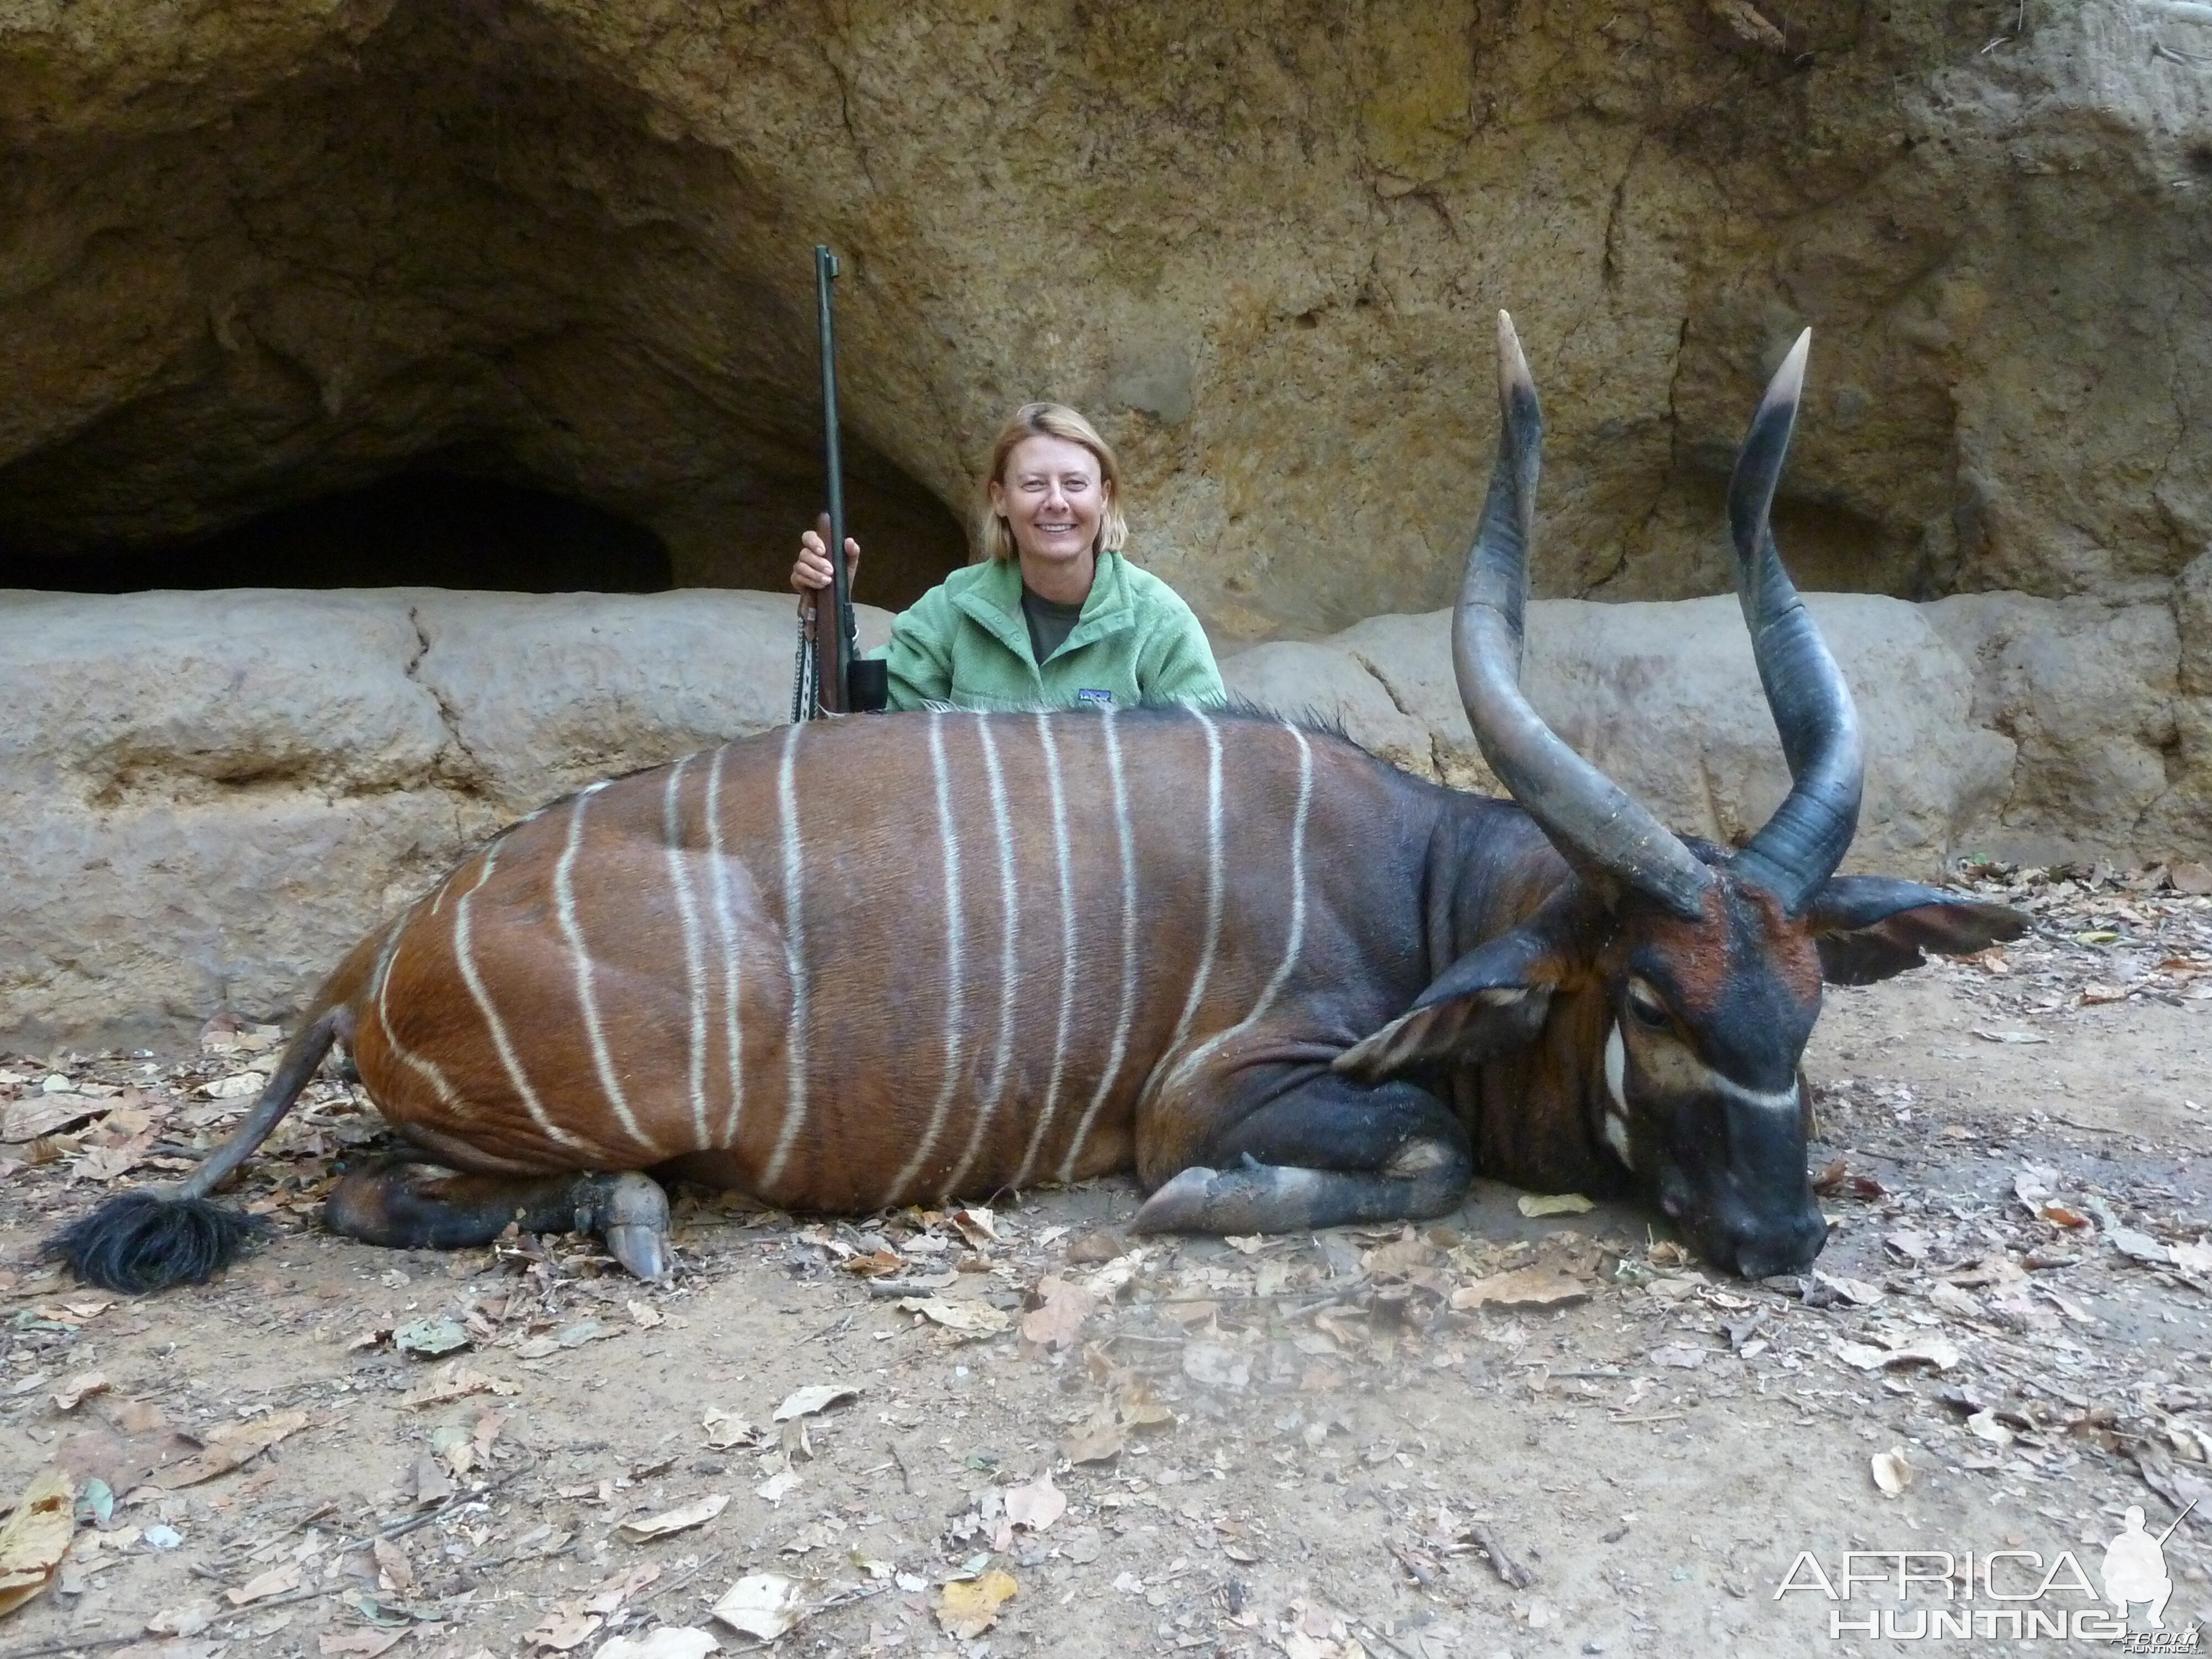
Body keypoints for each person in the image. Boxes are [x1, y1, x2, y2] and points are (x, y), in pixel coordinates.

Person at [790, 402, 1224, 712]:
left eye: (1075, 484)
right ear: (1000, 498)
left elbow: (1206, 765)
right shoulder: (955, 608)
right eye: (1034, 484)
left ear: (1105, 497)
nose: (1056, 502)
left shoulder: (1159, 622)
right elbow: (861, 720)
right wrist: (830, 614)